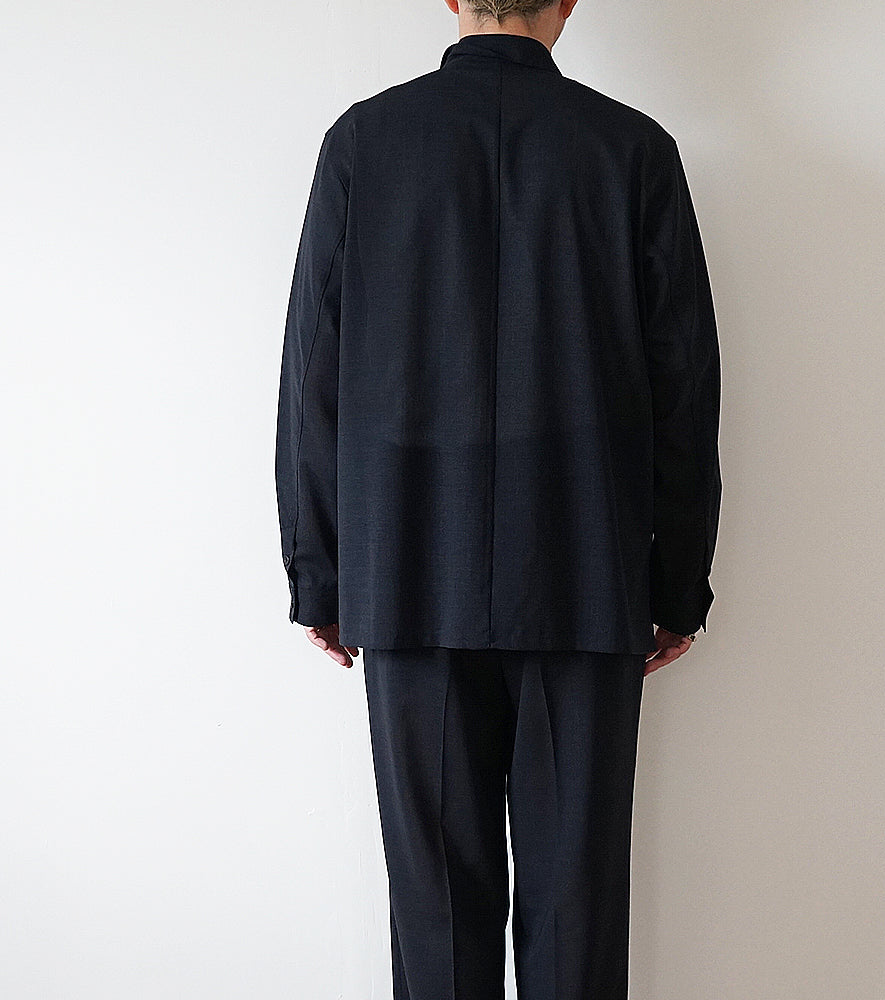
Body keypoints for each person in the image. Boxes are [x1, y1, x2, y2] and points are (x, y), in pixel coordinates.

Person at [275, 0, 723, 996]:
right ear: (567, 2)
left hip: (407, 569)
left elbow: (313, 373)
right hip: (584, 573)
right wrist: (676, 582)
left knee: (435, 910)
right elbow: (685, 386)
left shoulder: (364, 143)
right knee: (576, 910)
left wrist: (321, 574)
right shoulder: (631, 150)